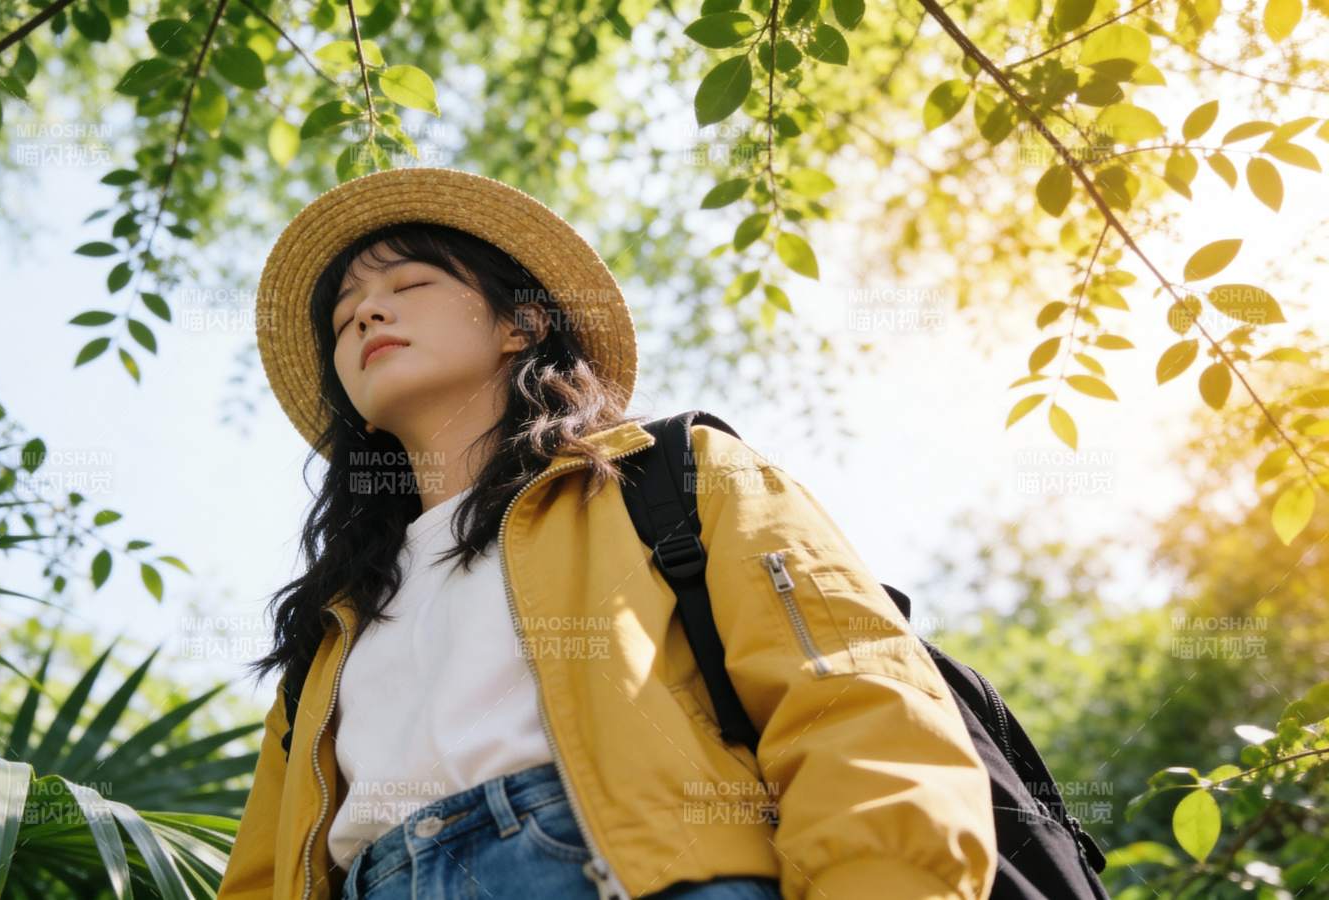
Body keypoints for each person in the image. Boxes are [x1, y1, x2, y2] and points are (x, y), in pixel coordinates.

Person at [218, 166, 996, 900]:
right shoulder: (330, 626)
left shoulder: (672, 478)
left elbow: (851, 697)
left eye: (408, 284)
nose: (365, 313)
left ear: (522, 323)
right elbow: (261, 873)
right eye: (344, 312)